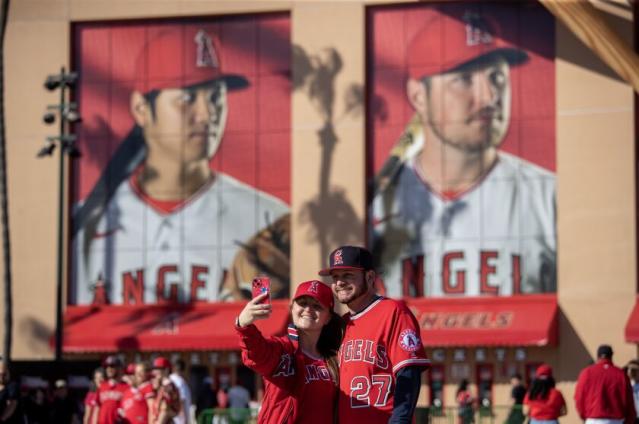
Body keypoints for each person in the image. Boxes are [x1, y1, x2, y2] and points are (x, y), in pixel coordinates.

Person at [72, 23, 289, 306]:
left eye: (215, 97)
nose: (207, 113)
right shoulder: (86, 225)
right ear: (141, 109)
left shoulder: (269, 219)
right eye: (188, 97)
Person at [370, 5, 556, 297]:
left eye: (496, 78)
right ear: (418, 95)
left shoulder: (550, 196)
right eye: (464, 79)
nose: (489, 97)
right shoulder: (377, 205)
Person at [319, 246, 430, 422]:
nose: (339, 283)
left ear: (370, 277)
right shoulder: (342, 324)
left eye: (347, 275)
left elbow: (408, 374)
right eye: (335, 277)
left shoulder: (393, 311)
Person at [235, 279, 343, 423]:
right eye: (303, 303)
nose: (308, 309)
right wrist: (244, 325)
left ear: (328, 317)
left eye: (317, 306)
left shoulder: (335, 360)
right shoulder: (282, 349)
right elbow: (257, 354)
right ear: (292, 308)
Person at [575, 344, 636, 423]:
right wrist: (629, 420)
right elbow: (629, 401)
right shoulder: (621, 374)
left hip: (593, 419)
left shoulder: (586, 373)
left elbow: (579, 398)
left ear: (598, 356)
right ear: (611, 356)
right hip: (615, 420)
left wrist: (584, 416)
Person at [95, 355, 129, 424]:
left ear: (119, 368)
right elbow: (97, 408)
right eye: (107, 366)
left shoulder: (126, 387)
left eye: (112, 366)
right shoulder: (102, 386)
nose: (108, 369)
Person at [150, 357, 181, 424]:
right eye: (155, 369)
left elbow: (165, 411)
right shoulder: (162, 386)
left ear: (166, 370)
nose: (155, 371)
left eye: (158, 369)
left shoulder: (168, 387)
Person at [169, 358, 192, 424]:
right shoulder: (180, 382)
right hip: (179, 418)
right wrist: (183, 418)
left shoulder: (169, 379)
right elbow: (181, 400)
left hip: (171, 416)